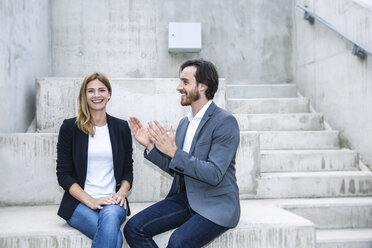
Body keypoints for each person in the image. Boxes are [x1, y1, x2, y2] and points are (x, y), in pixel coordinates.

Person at [124, 59, 240, 248]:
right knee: (133, 228)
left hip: (216, 203)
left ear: (203, 86)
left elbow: (214, 174)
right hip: (186, 198)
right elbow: (178, 167)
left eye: (185, 82)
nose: (179, 87)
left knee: (178, 242)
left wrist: (174, 152)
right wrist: (151, 146)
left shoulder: (225, 122)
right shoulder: (184, 124)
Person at [56, 72, 133, 248]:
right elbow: (64, 175)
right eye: (91, 91)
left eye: (101, 90)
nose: (96, 95)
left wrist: (121, 193)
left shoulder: (121, 128)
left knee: (111, 217)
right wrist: (91, 201)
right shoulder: (70, 127)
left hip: (113, 201)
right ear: (84, 95)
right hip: (79, 202)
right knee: (116, 239)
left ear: (109, 94)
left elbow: (128, 169)